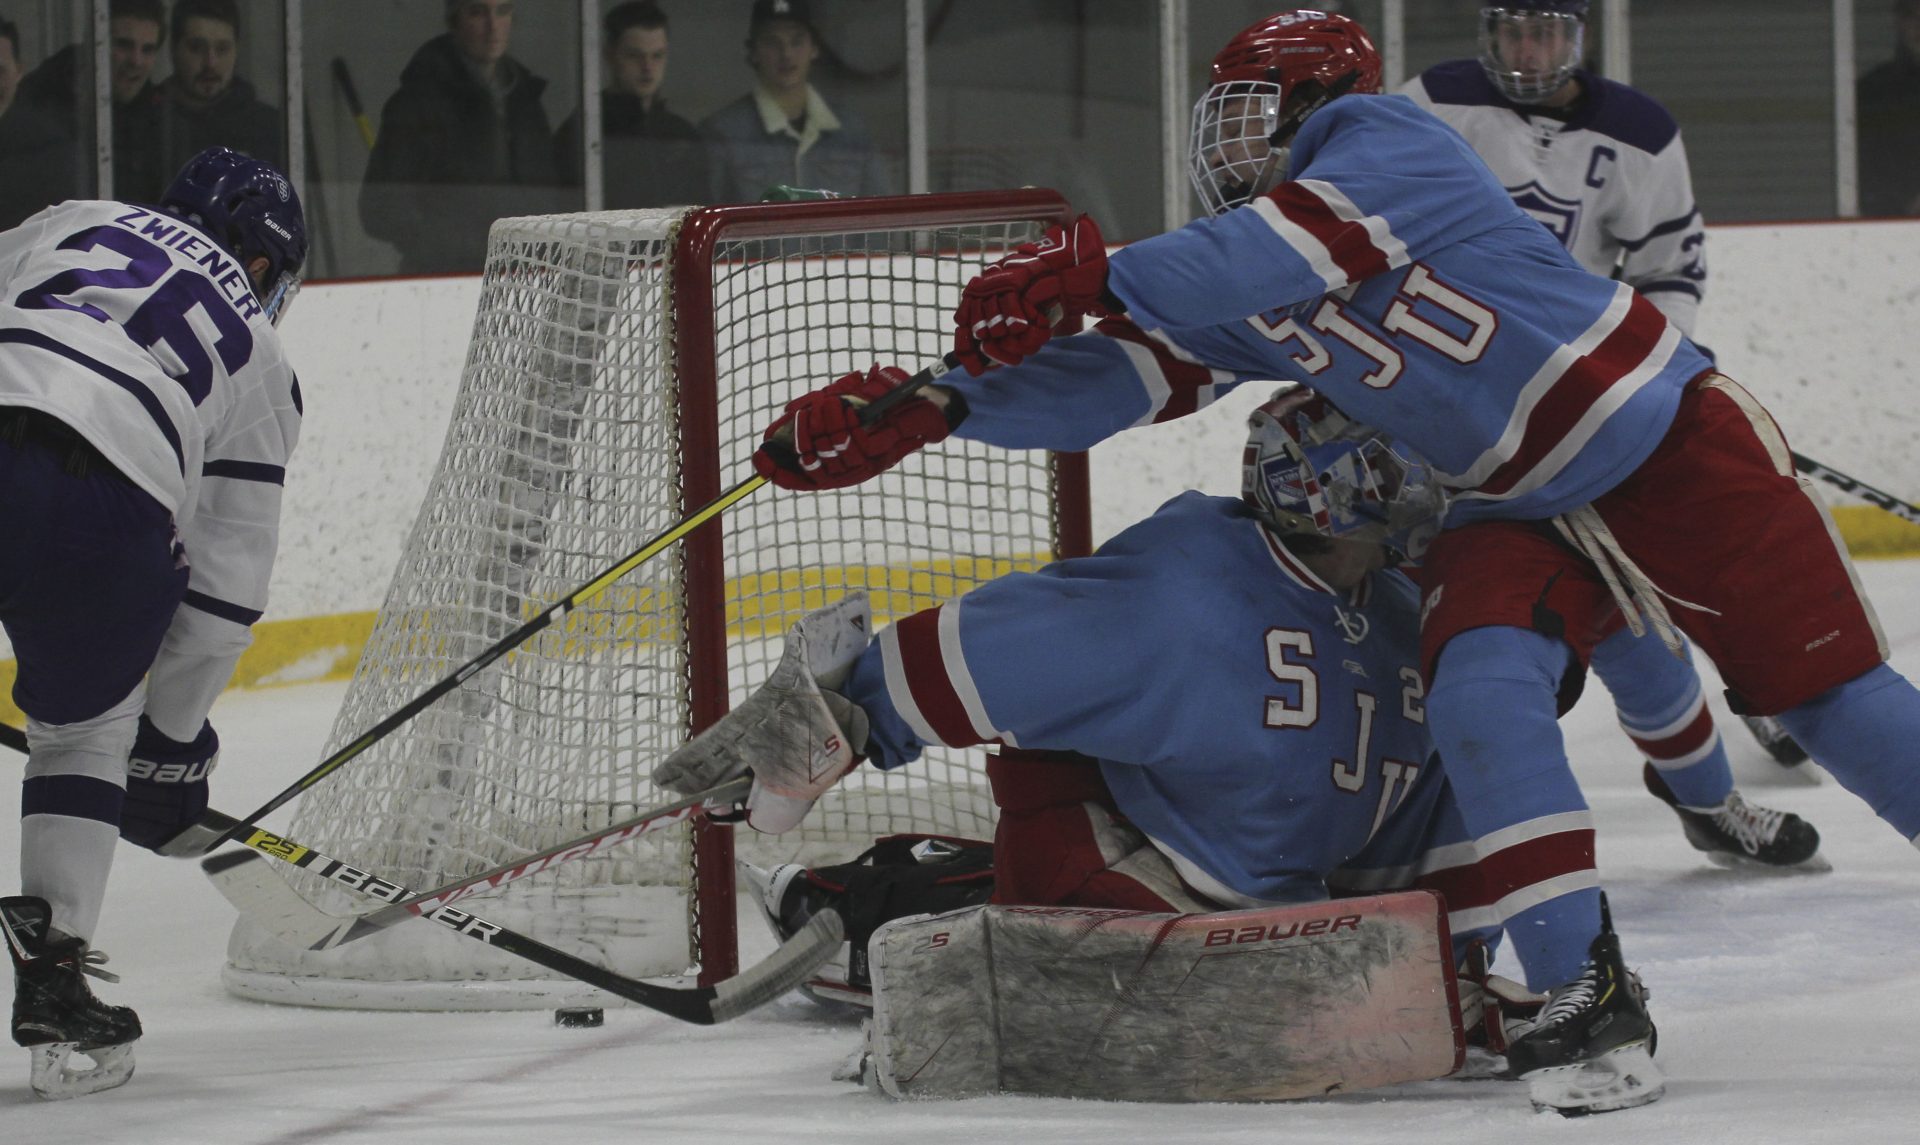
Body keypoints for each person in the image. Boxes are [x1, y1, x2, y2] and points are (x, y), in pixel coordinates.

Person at [751, 7, 1920, 1111]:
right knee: (1475, 694)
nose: (1233, 134)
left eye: (1255, 107)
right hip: (1502, 503)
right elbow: (1125, 374)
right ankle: (1591, 993)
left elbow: (1278, 248)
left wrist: (1099, 272)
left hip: (1661, 445)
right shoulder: (1247, 267)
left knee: (1831, 706)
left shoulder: (1386, 144)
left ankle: (1705, 803)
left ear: (1318, 98)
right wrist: (938, 405)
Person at [659, 388, 1649, 1112]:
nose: (1424, 488)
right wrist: (809, 734)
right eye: (1397, 471)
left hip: (1269, 876)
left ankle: (879, 892)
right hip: (1129, 847)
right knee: (1088, 920)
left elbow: (1456, 793)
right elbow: (963, 661)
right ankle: (876, 919)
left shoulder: (1396, 609)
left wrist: (1457, 962)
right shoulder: (1189, 592)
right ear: (1341, 494)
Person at [1400, 4, 1813, 781]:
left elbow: (1669, 266)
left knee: (1687, 534)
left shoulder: (1640, 131)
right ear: (1487, 34)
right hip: (1454, 392)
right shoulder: (1431, 101)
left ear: (1577, 38)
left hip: (1586, 389)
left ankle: (1759, 686)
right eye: (1512, 31)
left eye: (1545, 31)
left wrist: (1651, 365)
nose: (1528, 49)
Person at [0, 147, 306, 1100]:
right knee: (85, 733)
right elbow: (220, 596)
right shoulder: (262, 360)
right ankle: (54, 981)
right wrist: (166, 749)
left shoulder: (69, 216)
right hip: (111, 502)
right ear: (262, 267)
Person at [359, 0, 564, 274]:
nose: (493, 27)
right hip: (442, 278)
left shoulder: (526, 102)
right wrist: (450, 247)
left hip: (523, 279)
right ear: (454, 21)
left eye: (503, 11)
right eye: (477, 12)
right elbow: (380, 209)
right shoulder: (418, 103)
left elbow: (547, 195)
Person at [701, 0, 890, 203]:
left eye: (797, 41)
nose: (786, 54)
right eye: (772, 42)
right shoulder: (722, 133)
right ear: (754, 51)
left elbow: (879, 217)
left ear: (814, 48)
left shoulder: (852, 131)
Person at [9, 0, 168, 214]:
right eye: (123, 45)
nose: (136, 61)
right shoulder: (39, 102)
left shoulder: (160, 115)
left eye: (147, 50)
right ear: (96, 42)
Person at [555, 1, 707, 209]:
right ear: (610, 56)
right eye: (634, 56)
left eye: (657, 56)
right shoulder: (584, 131)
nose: (647, 68)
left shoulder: (683, 136)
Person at [155, 0, 283, 193]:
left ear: (236, 51)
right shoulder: (148, 120)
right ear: (173, 49)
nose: (210, 63)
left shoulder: (268, 128)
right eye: (196, 47)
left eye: (222, 49)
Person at [1858, 0, 1920, 217]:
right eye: (1912, 16)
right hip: (1894, 230)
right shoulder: (1873, 93)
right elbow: (1864, 173)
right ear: (1899, 22)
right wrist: (1903, 204)